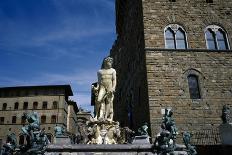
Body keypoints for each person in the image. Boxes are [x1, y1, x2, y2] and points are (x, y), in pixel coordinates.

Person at [93, 56, 116, 121]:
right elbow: (99, 81)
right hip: (102, 86)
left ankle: (106, 117)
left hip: (110, 86)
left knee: (109, 101)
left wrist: (113, 88)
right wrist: (97, 88)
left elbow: (114, 80)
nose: (111, 63)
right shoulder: (99, 71)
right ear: (105, 62)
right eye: (110, 62)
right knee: (98, 100)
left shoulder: (113, 70)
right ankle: (96, 115)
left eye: (111, 62)